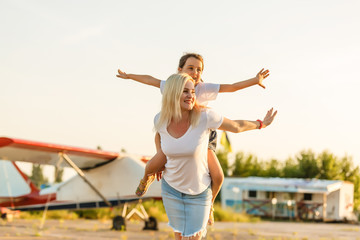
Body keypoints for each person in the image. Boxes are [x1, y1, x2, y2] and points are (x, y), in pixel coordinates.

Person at [116, 53, 270, 224]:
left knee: (218, 176)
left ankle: (208, 205)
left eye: (199, 69)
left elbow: (232, 88)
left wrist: (255, 81)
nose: (195, 72)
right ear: (179, 70)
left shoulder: (204, 88)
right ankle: (146, 179)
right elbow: (150, 80)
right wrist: (129, 76)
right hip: (174, 131)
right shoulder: (170, 86)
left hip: (200, 132)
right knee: (152, 164)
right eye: (191, 68)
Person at [154, 73, 276, 239]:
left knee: (194, 237)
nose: (191, 96)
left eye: (193, 92)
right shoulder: (160, 119)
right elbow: (159, 136)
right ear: (173, 93)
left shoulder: (205, 117)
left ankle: (209, 206)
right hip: (171, 189)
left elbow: (236, 126)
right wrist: (158, 159)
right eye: (185, 91)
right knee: (180, 237)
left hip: (199, 190)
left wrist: (261, 124)